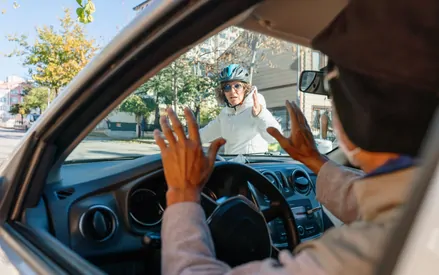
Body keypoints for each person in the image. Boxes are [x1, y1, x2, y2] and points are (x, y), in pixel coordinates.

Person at [155, 0, 439, 274]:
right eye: (227, 87)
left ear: (357, 118)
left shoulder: (350, 259)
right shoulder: (421, 207)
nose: (231, 91)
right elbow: (376, 200)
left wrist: (182, 194)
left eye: (333, 99)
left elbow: (268, 129)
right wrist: (314, 160)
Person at [199, 64, 282, 155]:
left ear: (245, 88)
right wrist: (181, 139)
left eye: (237, 86)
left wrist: (260, 114)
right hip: (233, 166)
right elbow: (204, 135)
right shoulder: (225, 114)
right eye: (227, 87)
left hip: (254, 165)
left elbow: (274, 138)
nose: (232, 91)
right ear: (223, 92)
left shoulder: (254, 108)